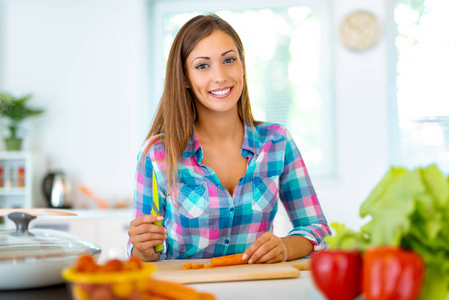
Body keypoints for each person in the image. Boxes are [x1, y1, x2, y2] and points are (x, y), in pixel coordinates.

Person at [128, 14, 330, 263]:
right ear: (184, 78)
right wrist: (143, 247)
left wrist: (285, 247)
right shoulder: (157, 154)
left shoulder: (277, 143)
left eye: (229, 60)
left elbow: (316, 229)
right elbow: (144, 252)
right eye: (203, 66)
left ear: (242, 65)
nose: (220, 76)